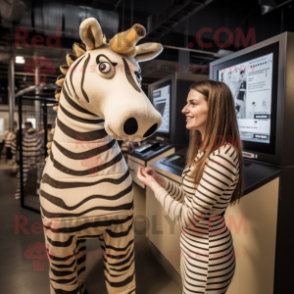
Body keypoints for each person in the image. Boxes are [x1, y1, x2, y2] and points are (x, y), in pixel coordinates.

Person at [137, 80, 244, 294]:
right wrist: (161, 182)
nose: (184, 109)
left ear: (214, 108)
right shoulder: (205, 149)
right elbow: (190, 198)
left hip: (207, 256)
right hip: (193, 249)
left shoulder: (222, 157)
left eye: (193, 104)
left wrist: (153, 187)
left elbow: (189, 217)